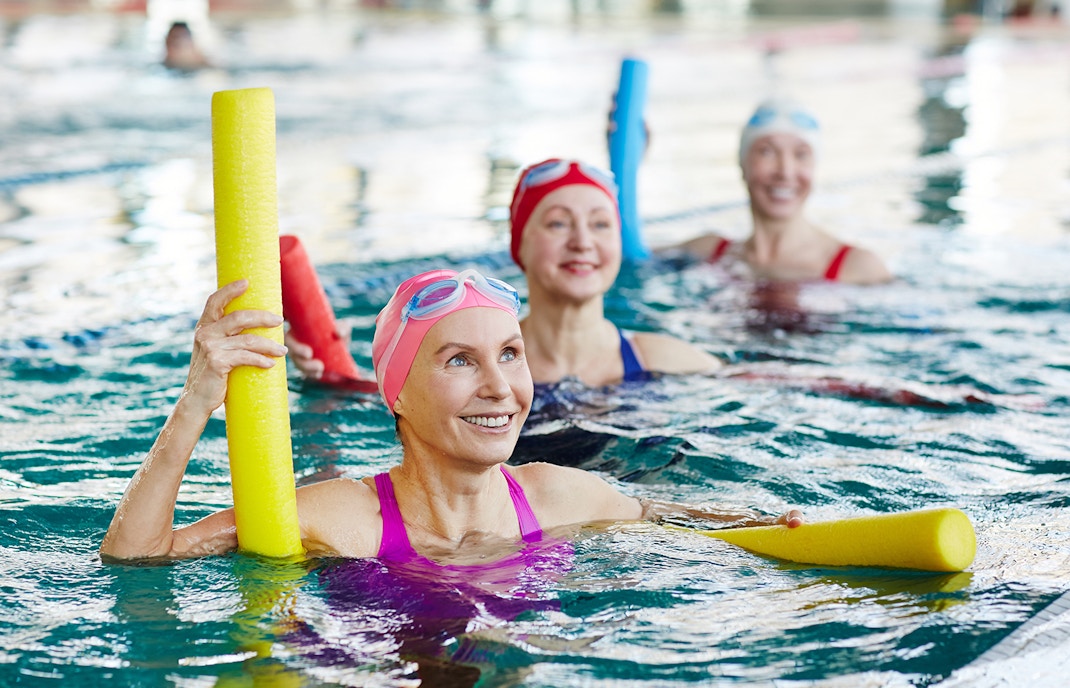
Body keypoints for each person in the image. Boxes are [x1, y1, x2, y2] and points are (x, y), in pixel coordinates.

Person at [100, 270, 801, 564]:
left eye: (510, 355)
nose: (501, 387)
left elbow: (668, 515)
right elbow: (139, 558)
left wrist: (772, 526)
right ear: (397, 392)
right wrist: (196, 401)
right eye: (460, 361)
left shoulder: (560, 496)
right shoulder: (342, 520)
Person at [510, 158, 723, 387]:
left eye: (600, 224)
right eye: (558, 224)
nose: (583, 243)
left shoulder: (674, 364)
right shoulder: (487, 369)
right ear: (520, 244)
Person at [667, 98, 893, 285]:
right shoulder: (708, 252)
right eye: (767, 152)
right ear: (743, 164)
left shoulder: (859, 268)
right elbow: (633, 255)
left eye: (801, 154)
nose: (785, 172)